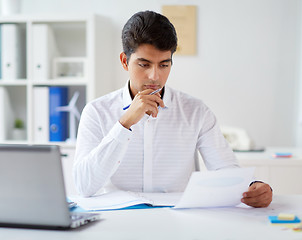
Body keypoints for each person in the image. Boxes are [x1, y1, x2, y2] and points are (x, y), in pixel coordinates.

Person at [73, 10, 272, 208]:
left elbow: (225, 168)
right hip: (119, 221)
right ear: (125, 61)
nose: (154, 76)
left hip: (179, 220)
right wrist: (125, 123)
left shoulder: (196, 111)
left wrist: (254, 186)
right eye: (144, 64)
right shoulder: (96, 112)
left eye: (164, 65)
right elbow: (84, 186)